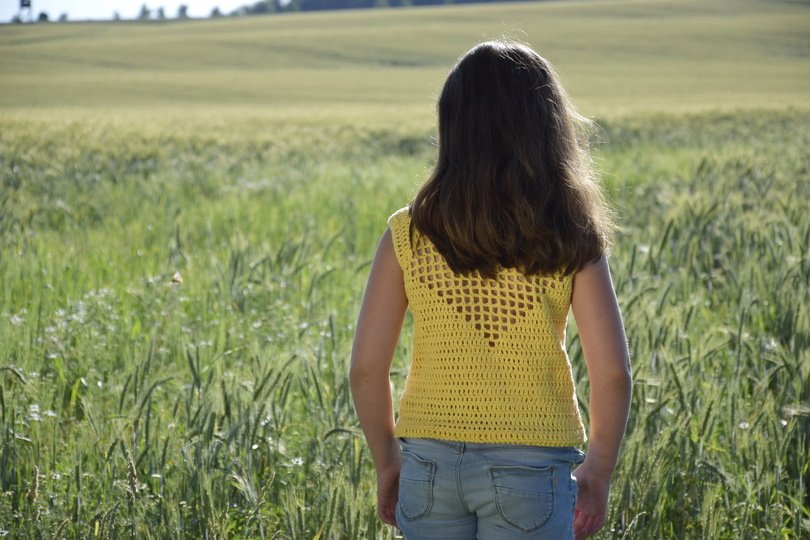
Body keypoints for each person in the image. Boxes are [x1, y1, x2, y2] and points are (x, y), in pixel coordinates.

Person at [350, 40, 631, 540]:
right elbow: (611, 372)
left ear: (452, 128)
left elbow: (366, 369)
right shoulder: (570, 231)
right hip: (533, 467)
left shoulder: (409, 235)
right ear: (548, 129)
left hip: (427, 466)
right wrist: (599, 470)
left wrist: (389, 463)